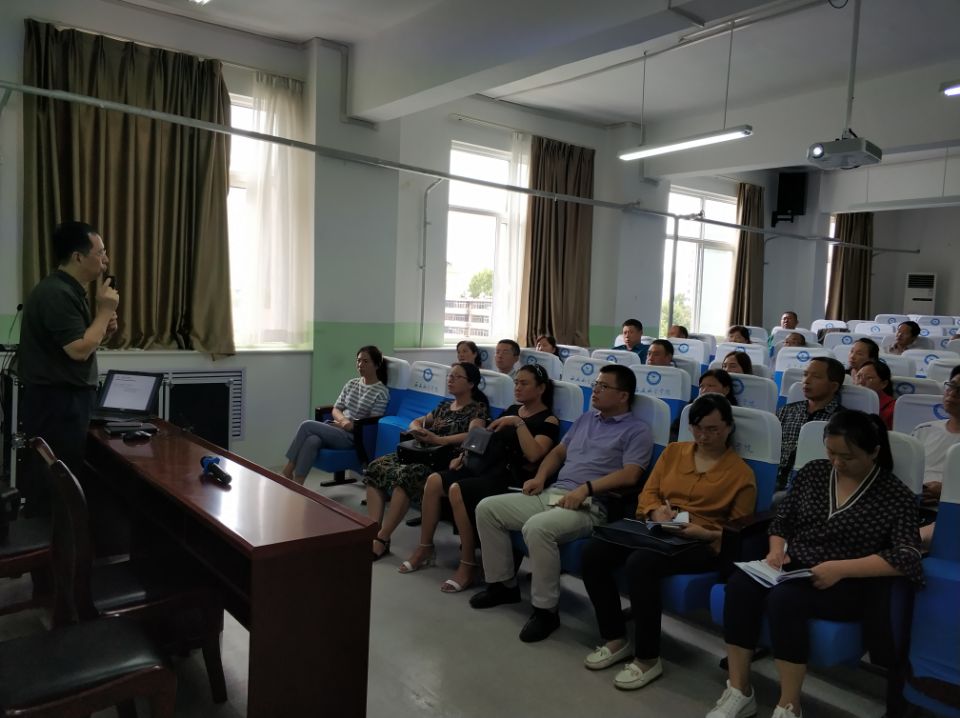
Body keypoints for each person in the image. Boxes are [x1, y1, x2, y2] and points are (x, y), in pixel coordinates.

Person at [708, 410, 923, 718]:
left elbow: (907, 555)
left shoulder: (894, 495)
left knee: (786, 599)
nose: (837, 463)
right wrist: (776, 551)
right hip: (795, 565)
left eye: (847, 457)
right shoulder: (814, 472)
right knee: (740, 585)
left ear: (874, 452)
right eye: (831, 453)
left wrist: (840, 569)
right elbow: (783, 519)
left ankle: (789, 705)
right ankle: (739, 690)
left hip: (849, 580)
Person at [581, 395, 756, 690]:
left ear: (728, 428)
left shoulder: (741, 474)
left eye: (713, 429)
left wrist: (705, 533)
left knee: (641, 563)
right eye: (697, 428)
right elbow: (649, 493)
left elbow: (739, 531)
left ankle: (648, 658)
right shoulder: (674, 452)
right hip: (659, 529)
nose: (703, 436)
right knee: (594, 552)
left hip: (701, 542)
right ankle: (615, 638)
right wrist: (654, 511)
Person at [470, 365, 653, 643]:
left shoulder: (637, 430)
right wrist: (540, 477)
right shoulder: (586, 419)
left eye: (604, 386)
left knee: (537, 528)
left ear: (623, 395)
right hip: (556, 493)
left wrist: (586, 489)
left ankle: (546, 611)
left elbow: (631, 474)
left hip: (592, 504)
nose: (595, 390)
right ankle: (504, 586)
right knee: (488, 509)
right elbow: (558, 453)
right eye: (595, 384)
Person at [399, 364, 560, 593]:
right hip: (488, 466)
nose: (517, 387)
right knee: (434, 481)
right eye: (516, 382)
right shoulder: (512, 408)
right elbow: (485, 437)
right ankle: (425, 547)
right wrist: (463, 455)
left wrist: (518, 423)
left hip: (511, 477)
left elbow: (534, 454)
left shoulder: (548, 420)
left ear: (541, 388)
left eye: (524, 383)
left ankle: (468, 564)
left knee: (457, 489)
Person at [17, 221, 119, 515]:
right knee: (58, 483)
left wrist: (103, 328)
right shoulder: (57, 293)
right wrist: (105, 312)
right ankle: (54, 539)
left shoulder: (69, 290)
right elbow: (78, 350)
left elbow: (80, 343)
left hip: (64, 401)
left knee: (63, 477)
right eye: (100, 252)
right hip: (58, 404)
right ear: (78, 256)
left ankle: (58, 535)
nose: (105, 260)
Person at [365, 362, 490, 560]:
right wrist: (417, 429)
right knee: (376, 467)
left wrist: (439, 440)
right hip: (422, 452)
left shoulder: (477, 409)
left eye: (457, 377)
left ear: (471, 384)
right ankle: (373, 532)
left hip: (444, 459)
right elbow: (418, 421)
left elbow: (473, 435)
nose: (450, 379)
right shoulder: (444, 406)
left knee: (407, 475)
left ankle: (382, 538)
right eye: (449, 376)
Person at [281, 346, 390, 484]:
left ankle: (287, 471)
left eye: (365, 361)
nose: (360, 364)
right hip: (338, 428)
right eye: (358, 361)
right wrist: (343, 421)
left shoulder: (381, 392)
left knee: (306, 425)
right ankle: (298, 484)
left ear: (377, 365)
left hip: (353, 437)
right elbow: (336, 409)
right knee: (312, 440)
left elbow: (370, 425)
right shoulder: (351, 384)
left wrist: (348, 426)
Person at [775, 357, 844, 490]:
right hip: (774, 482)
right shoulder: (786, 411)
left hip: (813, 488)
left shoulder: (842, 420)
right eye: (805, 374)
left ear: (834, 386)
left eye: (816, 377)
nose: (806, 381)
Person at [911, 365, 960, 507]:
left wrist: (947, 491)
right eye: (952, 386)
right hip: (912, 505)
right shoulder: (923, 430)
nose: (952, 393)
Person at [853, 359, 895, 429]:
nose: (861, 382)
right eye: (858, 376)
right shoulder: (847, 401)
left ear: (884, 384)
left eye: (869, 378)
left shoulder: (893, 409)